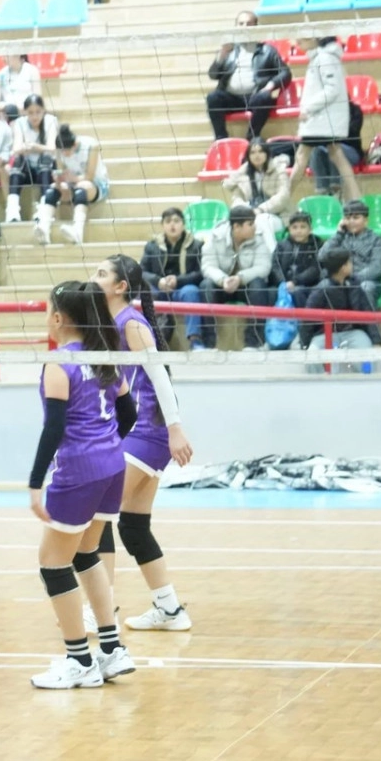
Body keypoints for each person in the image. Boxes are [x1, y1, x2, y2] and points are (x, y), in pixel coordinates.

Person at [27, 280, 135, 689]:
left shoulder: (59, 363)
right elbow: (129, 412)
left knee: (53, 564)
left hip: (79, 471)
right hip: (113, 467)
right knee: (87, 553)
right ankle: (111, 650)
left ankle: (79, 661)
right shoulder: (105, 358)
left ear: (58, 318)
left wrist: (35, 483)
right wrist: (105, 444)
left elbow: (54, 427)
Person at [96, 256, 196, 632]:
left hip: (148, 431)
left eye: (101, 274)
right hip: (135, 431)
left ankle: (99, 610)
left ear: (121, 286)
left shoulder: (132, 323)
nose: (93, 278)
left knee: (97, 513)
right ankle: (170, 609)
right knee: (133, 526)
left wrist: (175, 429)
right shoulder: (107, 322)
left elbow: (160, 377)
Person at [290, 35, 359, 203]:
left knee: (302, 156)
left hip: (322, 119)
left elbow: (332, 89)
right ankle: (356, 199)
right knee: (336, 154)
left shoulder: (325, 58)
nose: (298, 41)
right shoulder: (320, 58)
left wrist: (308, 108)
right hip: (322, 119)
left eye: (303, 37)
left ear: (316, 38)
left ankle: (284, 198)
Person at [199, 204, 275, 349]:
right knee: (205, 286)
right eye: (250, 224)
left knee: (258, 285)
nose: (254, 227)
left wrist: (240, 278)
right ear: (236, 227)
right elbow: (207, 266)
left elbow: (263, 267)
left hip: (245, 288)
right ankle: (209, 343)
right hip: (222, 286)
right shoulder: (215, 237)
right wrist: (223, 280)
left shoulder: (259, 239)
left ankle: (253, 343)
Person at [206, 13, 291, 140]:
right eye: (241, 24)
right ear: (235, 27)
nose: (245, 27)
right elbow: (213, 75)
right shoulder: (228, 50)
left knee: (265, 97)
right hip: (231, 98)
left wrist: (270, 86)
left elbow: (285, 73)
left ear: (256, 27)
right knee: (213, 97)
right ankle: (221, 139)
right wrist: (222, 55)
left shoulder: (268, 50)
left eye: (249, 24)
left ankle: (252, 136)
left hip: (255, 97)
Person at [301, 248, 381, 363]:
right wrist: (304, 345)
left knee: (368, 357)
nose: (352, 265)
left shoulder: (355, 285)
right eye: (349, 262)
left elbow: (368, 313)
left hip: (353, 333)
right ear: (343, 267)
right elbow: (308, 319)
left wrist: (376, 341)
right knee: (312, 359)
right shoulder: (321, 289)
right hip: (325, 334)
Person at [33, 123, 106, 246]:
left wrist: (74, 178)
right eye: (62, 151)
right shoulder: (59, 150)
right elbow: (61, 172)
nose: (64, 154)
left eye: (66, 151)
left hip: (96, 184)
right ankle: (44, 228)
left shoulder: (91, 145)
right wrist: (58, 179)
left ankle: (78, 231)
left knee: (82, 187)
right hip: (72, 184)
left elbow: (90, 176)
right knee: (53, 189)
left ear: (75, 145)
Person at [142, 206, 205, 344]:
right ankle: (149, 341)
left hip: (182, 289)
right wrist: (158, 281)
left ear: (183, 224)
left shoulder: (197, 245)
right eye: (168, 221)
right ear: (162, 225)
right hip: (159, 289)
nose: (172, 225)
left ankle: (195, 340)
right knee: (146, 292)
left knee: (191, 291)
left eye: (176, 221)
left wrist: (178, 280)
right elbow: (142, 271)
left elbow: (201, 273)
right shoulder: (152, 246)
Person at [320, 198, 381, 308]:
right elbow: (322, 257)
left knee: (365, 287)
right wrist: (338, 234)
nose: (351, 221)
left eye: (356, 218)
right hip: (340, 280)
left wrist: (353, 279)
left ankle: (367, 320)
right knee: (324, 286)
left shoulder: (375, 239)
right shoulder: (339, 237)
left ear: (366, 220)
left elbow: (378, 266)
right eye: (347, 218)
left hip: (367, 280)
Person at [224, 138, 291, 218]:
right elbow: (237, 198)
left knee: (261, 220)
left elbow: (283, 197)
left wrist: (260, 210)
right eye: (252, 152)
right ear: (248, 156)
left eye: (261, 151)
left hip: (277, 214)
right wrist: (243, 211)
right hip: (250, 215)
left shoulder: (278, 170)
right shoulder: (242, 175)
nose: (257, 155)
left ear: (267, 153)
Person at [270, 209, 323, 306]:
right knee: (270, 292)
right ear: (289, 229)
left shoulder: (317, 245)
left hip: (306, 285)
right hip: (283, 283)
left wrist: (295, 282)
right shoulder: (282, 245)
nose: (298, 231)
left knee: (298, 292)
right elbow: (275, 265)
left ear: (310, 229)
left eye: (303, 227)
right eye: (294, 227)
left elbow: (315, 269)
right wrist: (283, 283)